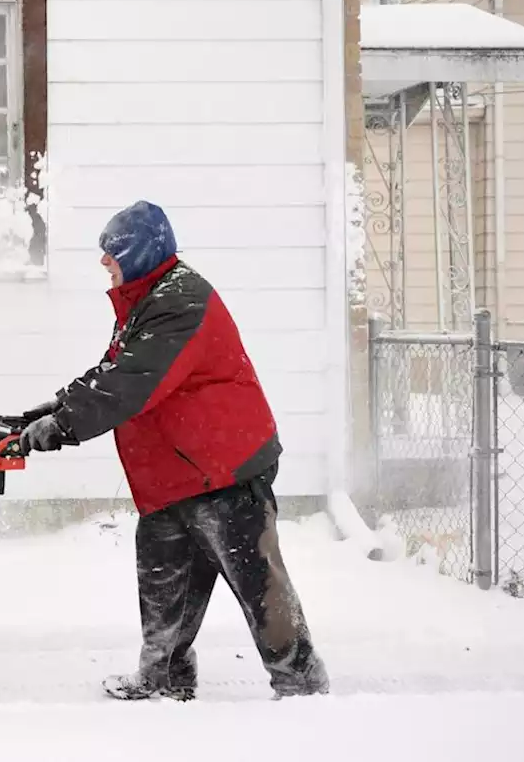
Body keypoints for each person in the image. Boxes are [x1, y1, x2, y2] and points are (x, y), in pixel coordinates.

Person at [18, 200, 329, 702]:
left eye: (111, 252)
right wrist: (50, 409)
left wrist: (64, 426)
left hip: (223, 469)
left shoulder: (181, 300)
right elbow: (111, 371)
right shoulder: (147, 299)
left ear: (140, 253)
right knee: (164, 581)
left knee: (258, 583)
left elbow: (131, 384)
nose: (103, 262)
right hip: (173, 474)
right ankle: (162, 677)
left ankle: (301, 685)